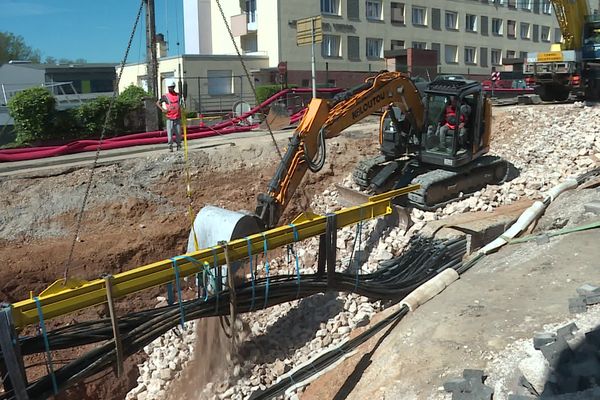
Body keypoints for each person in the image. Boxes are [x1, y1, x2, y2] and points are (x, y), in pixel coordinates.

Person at [156, 79, 182, 152]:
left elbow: (180, 104)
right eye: (169, 87)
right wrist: (163, 109)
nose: (170, 88)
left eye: (171, 87)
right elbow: (158, 103)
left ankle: (178, 145)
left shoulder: (178, 95)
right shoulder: (165, 96)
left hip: (177, 117)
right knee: (170, 134)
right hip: (169, 118)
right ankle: (170, 146)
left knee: (178, 133)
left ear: (174, 87)